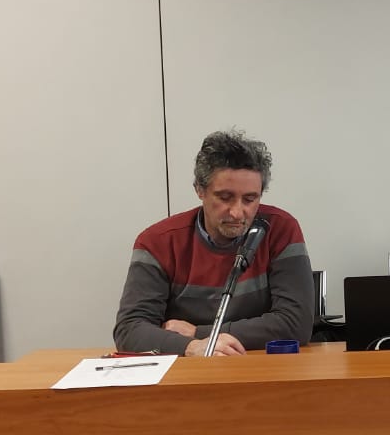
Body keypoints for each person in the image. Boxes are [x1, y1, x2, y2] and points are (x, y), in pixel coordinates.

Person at [114, 128, 314, 358]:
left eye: (250, 199)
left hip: (260, 367)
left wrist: (198, 334)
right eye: (225, 197)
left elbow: (296, 323)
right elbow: (129, 330)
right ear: (200, 190)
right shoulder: (157, 241)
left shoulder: (280, 229)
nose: (237, 212)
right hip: (188, 371)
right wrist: (191, 347)